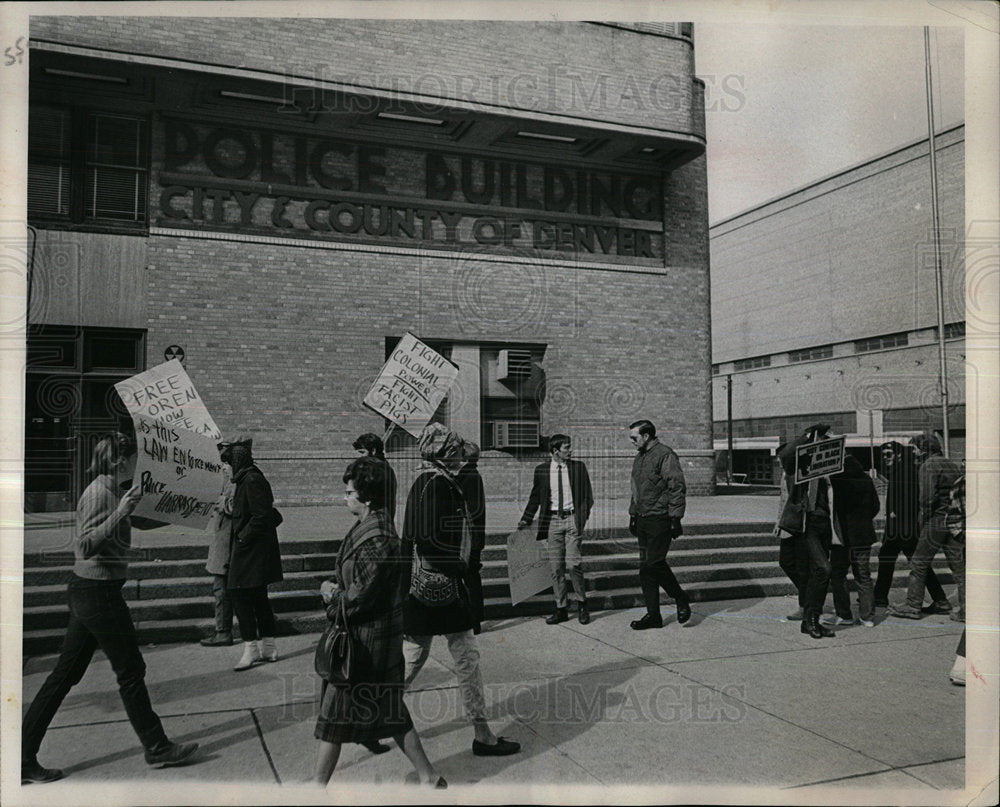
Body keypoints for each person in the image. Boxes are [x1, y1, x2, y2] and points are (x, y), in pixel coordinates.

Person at [21, 433, 199, 784]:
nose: (139, 464)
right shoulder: (100, 494)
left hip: (92, 591)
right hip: (97, 592)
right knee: (130, 669)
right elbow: (84, 545)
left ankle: (21, 757)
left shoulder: (114, 488)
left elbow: (141, 519)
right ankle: (157, 746)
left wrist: (191, 510)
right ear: (120, 460)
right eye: (135, 457)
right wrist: (120, 511)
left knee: (64, 676)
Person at [314, 457, 445, 788]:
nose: (345, 497)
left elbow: (358, 598)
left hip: (365, 645)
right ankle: (429, 776)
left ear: (367, 497)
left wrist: (331, 597)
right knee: (390, 711)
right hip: (374, 641)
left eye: (349, 492)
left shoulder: (377, 538)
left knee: (334, 715)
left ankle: (316, 788)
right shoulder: (372, 527)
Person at [401, 423, 520, 758]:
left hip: (422, 590)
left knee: (416, 656)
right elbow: (427, 541)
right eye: (454, 452)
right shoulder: (437, 485)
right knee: (465, 658)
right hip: (443, 589)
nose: (459, 457)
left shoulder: (424, 482)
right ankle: (483, 735)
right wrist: (461, 569)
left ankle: (376, 711)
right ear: (443, 455)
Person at [219, 437, 284, 671]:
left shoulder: (252, 480)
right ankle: (269, 647)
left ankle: (252, 649)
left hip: (251, 551)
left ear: (236, 462)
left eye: (226, 464)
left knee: (238, 595)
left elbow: (260, 516)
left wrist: (242, 537)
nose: (224, 468)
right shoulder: (248, 477)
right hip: (255, 551)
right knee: (258, 598)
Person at [518, 433, 594, 625]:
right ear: (555, 451)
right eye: (566, 447)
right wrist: (526, 519)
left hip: (572, 520)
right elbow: (535, 497)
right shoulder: (542, 470)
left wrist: (581, 519)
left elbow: (588, 497)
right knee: (556, 567)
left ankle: (582, 604)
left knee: (573, 564)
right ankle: (561, 608)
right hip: (552, 522)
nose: (570, 450)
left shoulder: (578, 468)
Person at [889, 433, 965, 621]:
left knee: (919, 562)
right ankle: (964, 609)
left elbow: (927, 499)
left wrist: (923, 521)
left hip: (936, 520)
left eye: (914, 449)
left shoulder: (928, 465)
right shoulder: (950, 464)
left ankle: (913, 605)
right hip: (954, 519)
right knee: (959, 568)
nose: (913, 453)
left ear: (924, 449)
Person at [627, 420, 691, 630]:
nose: (632, 442)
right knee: (645, 569)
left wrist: (675, 518)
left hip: (660, 519)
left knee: (654, 562)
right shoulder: (639, 458)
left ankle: (680, 597)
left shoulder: (665, 454)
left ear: (646, 436)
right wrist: (633, 515)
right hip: (644, 519)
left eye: (634, 438)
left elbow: (676, 486)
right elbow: (636, 489)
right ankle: (653, 615)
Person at [873, 441, 949, 612]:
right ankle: (879, 597)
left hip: (903, 529)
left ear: (899, 454)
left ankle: (940, 600)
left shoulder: (905, 472)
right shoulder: (903, 470)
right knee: (894, 560)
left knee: (914, 564)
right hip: (901, 529)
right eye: (883, 455)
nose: (885, 459)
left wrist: (897, 519)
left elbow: (913, 501)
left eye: (888, 454)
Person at [777, 423, 836, 639]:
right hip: (806, 523)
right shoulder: (798, 465)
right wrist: (807, 436)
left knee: (816, 572)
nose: (824, 444)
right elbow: (786, 454)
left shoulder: (832, 466)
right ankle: (811, 619)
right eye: (821, 440)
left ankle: (810, 620)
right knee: (823, 569)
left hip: (825, 523)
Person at [826, 455, 880, 627]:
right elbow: (875, 506)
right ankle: (868, 616)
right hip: (863, 535)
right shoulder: (866, 479)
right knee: (863, 576)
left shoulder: (837, 479)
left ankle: (844, 614)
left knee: (838, 575)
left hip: (842, 537)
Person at [200, 469, 236, 646]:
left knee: (221, 590)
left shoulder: (239, 478)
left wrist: (223, 502)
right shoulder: (229, 477)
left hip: (229, 544)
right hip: (224, 542)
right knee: (221, 589)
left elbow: (239, 506)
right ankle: (223, 630)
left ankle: (223, 631)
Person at [773, 450, 810, 621]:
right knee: (785, 562)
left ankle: (805, 604)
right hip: (787, 525)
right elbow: (783, 500)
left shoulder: (799, 474)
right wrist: (778, 523)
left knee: (801, 567)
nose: (778, 461)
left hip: (800, 526)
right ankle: (809, 594)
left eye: (780, 458)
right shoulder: (785, 474)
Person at [457, 441, 487, 626]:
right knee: (471, 577)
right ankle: (474, 617)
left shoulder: (468, 476)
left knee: (470, 577)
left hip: (469, 538)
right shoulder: (471, 474)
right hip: (473, 537)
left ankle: (474, 618)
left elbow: (473, 510)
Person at [353, 432, 398, 524]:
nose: (359, 457)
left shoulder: (377, 470)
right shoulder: (383, 467)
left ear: (373, 451)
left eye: (362, 452)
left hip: (376, 520)